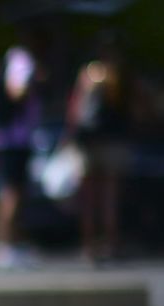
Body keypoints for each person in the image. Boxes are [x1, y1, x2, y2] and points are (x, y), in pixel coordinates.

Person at [69, 33, 132, 263]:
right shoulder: (117, 73)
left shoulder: (87, 73)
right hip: (113, 139)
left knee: (89, 197)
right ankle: (111, 243)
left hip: (88, 141)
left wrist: (69, 136)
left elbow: (74, 108)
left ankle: (89, 245)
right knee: (110, 195)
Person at [0, 43, 44, 270]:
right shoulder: (22, 61)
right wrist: (33, 85)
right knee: (12, 195)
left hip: (11, 141)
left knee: (15, 194)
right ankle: (5, 245)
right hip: (14, 142)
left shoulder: (13, 60)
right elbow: (16, 91)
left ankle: (12, 244)